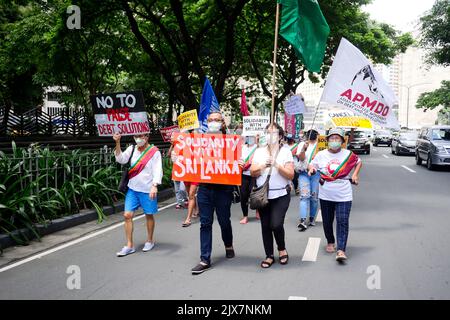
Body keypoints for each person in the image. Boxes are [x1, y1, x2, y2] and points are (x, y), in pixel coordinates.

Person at [308, 128, 362, 262]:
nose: (334, 141)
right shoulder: (321, 154)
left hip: (344, 194)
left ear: (342, 141)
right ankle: (330, 241)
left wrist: (355, 174)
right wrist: (312, 169)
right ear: (327, 141)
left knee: (342, 221)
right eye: (332, 138)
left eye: (337, 138)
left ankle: (341, 249)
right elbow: (311, 165)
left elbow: (359, 162)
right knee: (327, 221)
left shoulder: (348, 154)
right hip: (326, 194)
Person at [191, 112, 235, 275]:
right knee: (205, 223)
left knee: (224, 221)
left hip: (223, 188)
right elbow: (192, 158)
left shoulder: (230, 141)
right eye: (211, 120)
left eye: (217, 120)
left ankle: (228, 244)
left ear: (223, 123)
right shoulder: (200, 140)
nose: (214, 122)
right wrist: (180, 157)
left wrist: (239, 162)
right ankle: (205, 259)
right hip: (205, 188)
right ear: (206, 123)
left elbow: (236, 159)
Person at [250, 123, 294, 268]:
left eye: (274, 133)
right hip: (264, 195)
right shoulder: (259, 151)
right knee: (265, 225)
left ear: (280, 136)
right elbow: (253, 172)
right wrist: (263, 165)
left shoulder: (286, 152)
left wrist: (277, 165)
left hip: (281, 194)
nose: (270, 135)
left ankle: (282, 249)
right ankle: (269, 255)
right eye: (268, 133)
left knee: (276, 224)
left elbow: (290, 174)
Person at [113, 132, 163, 257]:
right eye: (136, 136)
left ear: (147, 137)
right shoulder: (132, 148)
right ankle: (129, 245)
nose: (138, 139)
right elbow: (121, 159)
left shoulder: (154, 152)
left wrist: (154, 185)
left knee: (149, 215)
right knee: (127, 215)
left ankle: (150, 240)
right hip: (132, 189)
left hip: (147, 189)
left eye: (141, 136)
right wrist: (117, 142)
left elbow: (158, 169)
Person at [296, 129, 320, 231]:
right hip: (304, 173)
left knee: (314, 197)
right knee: (304, 196)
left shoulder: (320, 146)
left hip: (315, 174)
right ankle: (302, 220)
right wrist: (303, 149)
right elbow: (300, 158)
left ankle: (311, 218)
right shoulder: (302, 144)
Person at [239, 134, 258, 224]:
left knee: (254, 194)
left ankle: (258, 210)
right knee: (243, 195)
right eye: (248, 136)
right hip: (243, 175)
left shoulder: (258, 148)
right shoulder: (242, 148)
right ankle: (245, 215)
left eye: (251, 136)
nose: (249, 138)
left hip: (254, 175)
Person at [168, 134, 188, 210]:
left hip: (183, 171)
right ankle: (179, 203)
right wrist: (172, 145)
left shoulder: (183, 147)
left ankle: (185, 199)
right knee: (177, 189)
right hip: (175, 171)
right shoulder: (173, 148)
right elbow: (169, 155)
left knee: (182, 189)